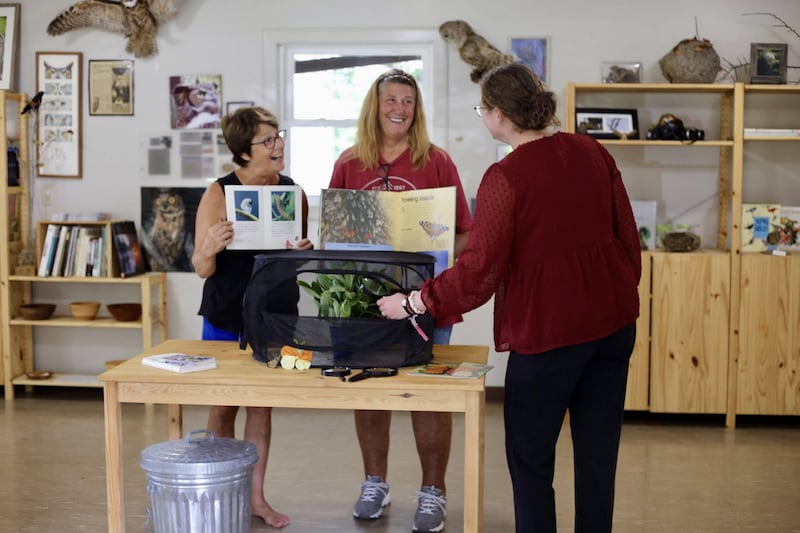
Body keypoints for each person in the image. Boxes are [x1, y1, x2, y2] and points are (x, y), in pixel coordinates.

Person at [378, 63, 642, 533]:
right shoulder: (591, 150)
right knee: (599, 457)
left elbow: (479, 271)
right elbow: (628, 238)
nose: (483, 118)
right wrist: (616, 287)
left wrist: (415, 302)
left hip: (549, 337)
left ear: (498, 115)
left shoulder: (505, 176)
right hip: (614, 326)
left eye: (483, 110)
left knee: (530, 460)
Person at [328, 68, 473, 533]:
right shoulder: (349, 163)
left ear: (417, 109)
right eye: (391, 99)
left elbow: (467, 232)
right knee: (369, 393)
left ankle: (434, 491)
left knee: (429, 396)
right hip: (364, 303)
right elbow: (333, 234)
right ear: (375, 105)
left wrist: (439, 253)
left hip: (425, 299)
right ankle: (375, 482)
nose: (399, 109)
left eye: (408, 101)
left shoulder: (437, 162)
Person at [192, 106, 313, 528]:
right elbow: (202, 268)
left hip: (276, 314)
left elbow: (295, 263)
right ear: (243, 152)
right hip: (226, 311)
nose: (278, 144)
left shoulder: (293, 193)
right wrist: (209, 246)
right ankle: (219, 495)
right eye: (267, 140)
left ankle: (256, 499)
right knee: (223, 407)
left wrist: (301, 255)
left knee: (261, 407)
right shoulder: (218, 193)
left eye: (277, 136)